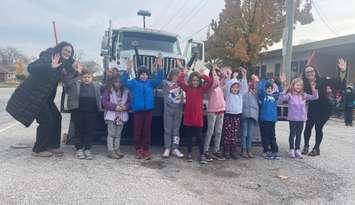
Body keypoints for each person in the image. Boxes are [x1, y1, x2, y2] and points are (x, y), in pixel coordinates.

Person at [6, 42, 77, 157]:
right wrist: (50, 66)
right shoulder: (48, 57)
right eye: (65, 50)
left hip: (46, 98)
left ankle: (53, 145)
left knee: (57, 117)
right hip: (34, 96)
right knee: (47, 120)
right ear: (59, 49)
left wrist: (76, 71)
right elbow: (31, 68)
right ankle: (38, 149)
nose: (67, 53)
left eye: (70, 51)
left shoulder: (64, 65)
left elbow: (66, 79)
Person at [302, 58, 347, 156]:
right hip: (313, 107)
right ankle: (306, 146)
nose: (310, 73)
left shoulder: (323, 80)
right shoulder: (303, 83)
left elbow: (338, 82)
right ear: (305, 74)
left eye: (311, 71)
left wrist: (342, 71)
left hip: (325, 108)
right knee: (308, 127)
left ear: (315, 71)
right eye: (307, 72)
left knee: (318, 127)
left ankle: (316, 148)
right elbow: (294, 89)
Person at [121, 57, 163, 160]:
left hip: (148, 111)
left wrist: (160, 67)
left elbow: (159, 78)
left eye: (145, 74)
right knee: (138, 130)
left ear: (147, 75)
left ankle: (146, 149)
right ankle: (138, 149)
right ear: (138, 75)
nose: (144, 76)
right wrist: (128, 70)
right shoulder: (134, 83)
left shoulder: (151, 83)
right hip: (138, 111)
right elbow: (124, 81)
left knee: (147, 131)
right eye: (142, 74)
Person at [63, 68, 103, 160]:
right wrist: (76, 72)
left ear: (92, 77)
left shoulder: (97, 86)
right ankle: (79, 149)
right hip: (78, 111)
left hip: (92, 112)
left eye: (89, 77)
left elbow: (108, 88)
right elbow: (67, 82)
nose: (87, 79)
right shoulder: (76, 84)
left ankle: (88, 149)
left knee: (89, 130)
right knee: (78, 130)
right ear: (81, 77)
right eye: (84, 77)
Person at [177, 68, 213, 164]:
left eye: (197, 80)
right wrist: (184, 73)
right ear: (190, 81)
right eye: (193, 80)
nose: (195, 82)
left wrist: (202, 75)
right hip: (188, 117)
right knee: (189, 137)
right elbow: (179, 81)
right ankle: (189, 153)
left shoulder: (202, 90)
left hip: (198, 118)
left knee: (199, 137)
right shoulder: (187, 89)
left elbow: (209, 82)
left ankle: (202, 154)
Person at [279, 77, 318, 158]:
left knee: (299, 134)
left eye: (300, 85)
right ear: (293, 85)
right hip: (292, 118)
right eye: (297, 85)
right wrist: (284, 89)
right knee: (292, 134)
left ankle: (297, 149)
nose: (298, 87)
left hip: (301, 118)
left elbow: (315, 97)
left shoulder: (304, 95)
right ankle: (291, 149)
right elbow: (281, 98)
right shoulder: (290, 95)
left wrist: (313, 88)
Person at [222, 67, 248, 160]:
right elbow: (227, 86)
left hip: (237, 116)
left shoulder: (240, 95)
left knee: (234, 134)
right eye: (234, 87)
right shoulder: (228, 95)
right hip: (229, 116)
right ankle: (226, 151)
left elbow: (244, 88)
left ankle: (233, 151)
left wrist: (244, 75)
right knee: (228, 134)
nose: (235, 89)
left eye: (237, 87)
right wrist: (231, 77)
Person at [102, 76, 130, 159]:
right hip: (111, 115)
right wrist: (114, 107)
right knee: (111, 134)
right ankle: (110, 151)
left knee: (118, 134)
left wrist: (126, 107)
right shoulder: (109, 91)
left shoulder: (126, 92)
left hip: (121, 116)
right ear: (112, 82)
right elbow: (104, 102)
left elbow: (129, 102)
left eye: (120, 82)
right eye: (116, 82)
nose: (118, 84)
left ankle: (116, 149)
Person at [204, 64, 226, 161]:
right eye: (215, 75)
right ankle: (206, 150)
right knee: (210, 131)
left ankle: (216, 150)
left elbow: (224, 78)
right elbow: (216, 82)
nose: (217, 76)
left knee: (218, 131)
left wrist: (219, 71)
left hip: (221, 110)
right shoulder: (210, 86)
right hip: (212, 111)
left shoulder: (220, 85)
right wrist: (213, 70)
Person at [162, 66, 184, 158]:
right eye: (175, 75)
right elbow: (161, 79)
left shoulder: (181, 84)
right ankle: (167, 148)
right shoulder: (166, 83)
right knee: (168, 129)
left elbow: (185, 77)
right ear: (171, 76)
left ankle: (175, 148)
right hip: (168, 110)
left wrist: (182, 70)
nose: (176, 78)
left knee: (176, 130)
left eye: (178, 76)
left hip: (178, 110)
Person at [258, 78, 283, 160]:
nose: (269, 90)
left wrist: (280, 83)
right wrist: (265, 81)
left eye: (270, 88)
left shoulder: (274, 97)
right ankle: (266, 151)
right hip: (264, 119)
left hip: (272, 120)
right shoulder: (263, 96)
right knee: (265, 135)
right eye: (267, 88)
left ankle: (274, 150)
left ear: (273, 89)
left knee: (272, 135)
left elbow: (280, 92)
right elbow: (260, 89)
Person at [241, 74, 259, 158]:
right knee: (244, 133)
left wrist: (255, 79)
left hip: (253, 116)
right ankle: (243, 149)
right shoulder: (243, 93)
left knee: (250, 134)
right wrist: (244, 75)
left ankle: (249, 149)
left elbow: (258, 87)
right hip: (245, 115)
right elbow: (244, 85)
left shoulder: (255, 93)